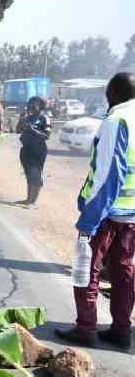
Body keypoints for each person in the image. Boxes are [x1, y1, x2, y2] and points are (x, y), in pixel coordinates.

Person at [56, 73, 135, 349]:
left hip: (107, 214)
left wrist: (90, 219)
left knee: (86, 267)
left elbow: (109, 174)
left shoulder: (116, 121)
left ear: (113, 92)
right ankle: (122, 330)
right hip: (131, 214)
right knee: (123, 270)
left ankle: (86, 327)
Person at [15, 97, 51, 208]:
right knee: (29, 174)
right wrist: (21, 120)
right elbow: (17, 131)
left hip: (38, 151)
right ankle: (28, 199)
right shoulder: (27, 117)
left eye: (34, 103)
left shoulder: (44, 118)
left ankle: (33, 202)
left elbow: (47, 135)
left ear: (41, 106)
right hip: (26, 150)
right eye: (30, 103)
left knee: (36, 175)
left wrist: (33, 130)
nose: (31, 105)